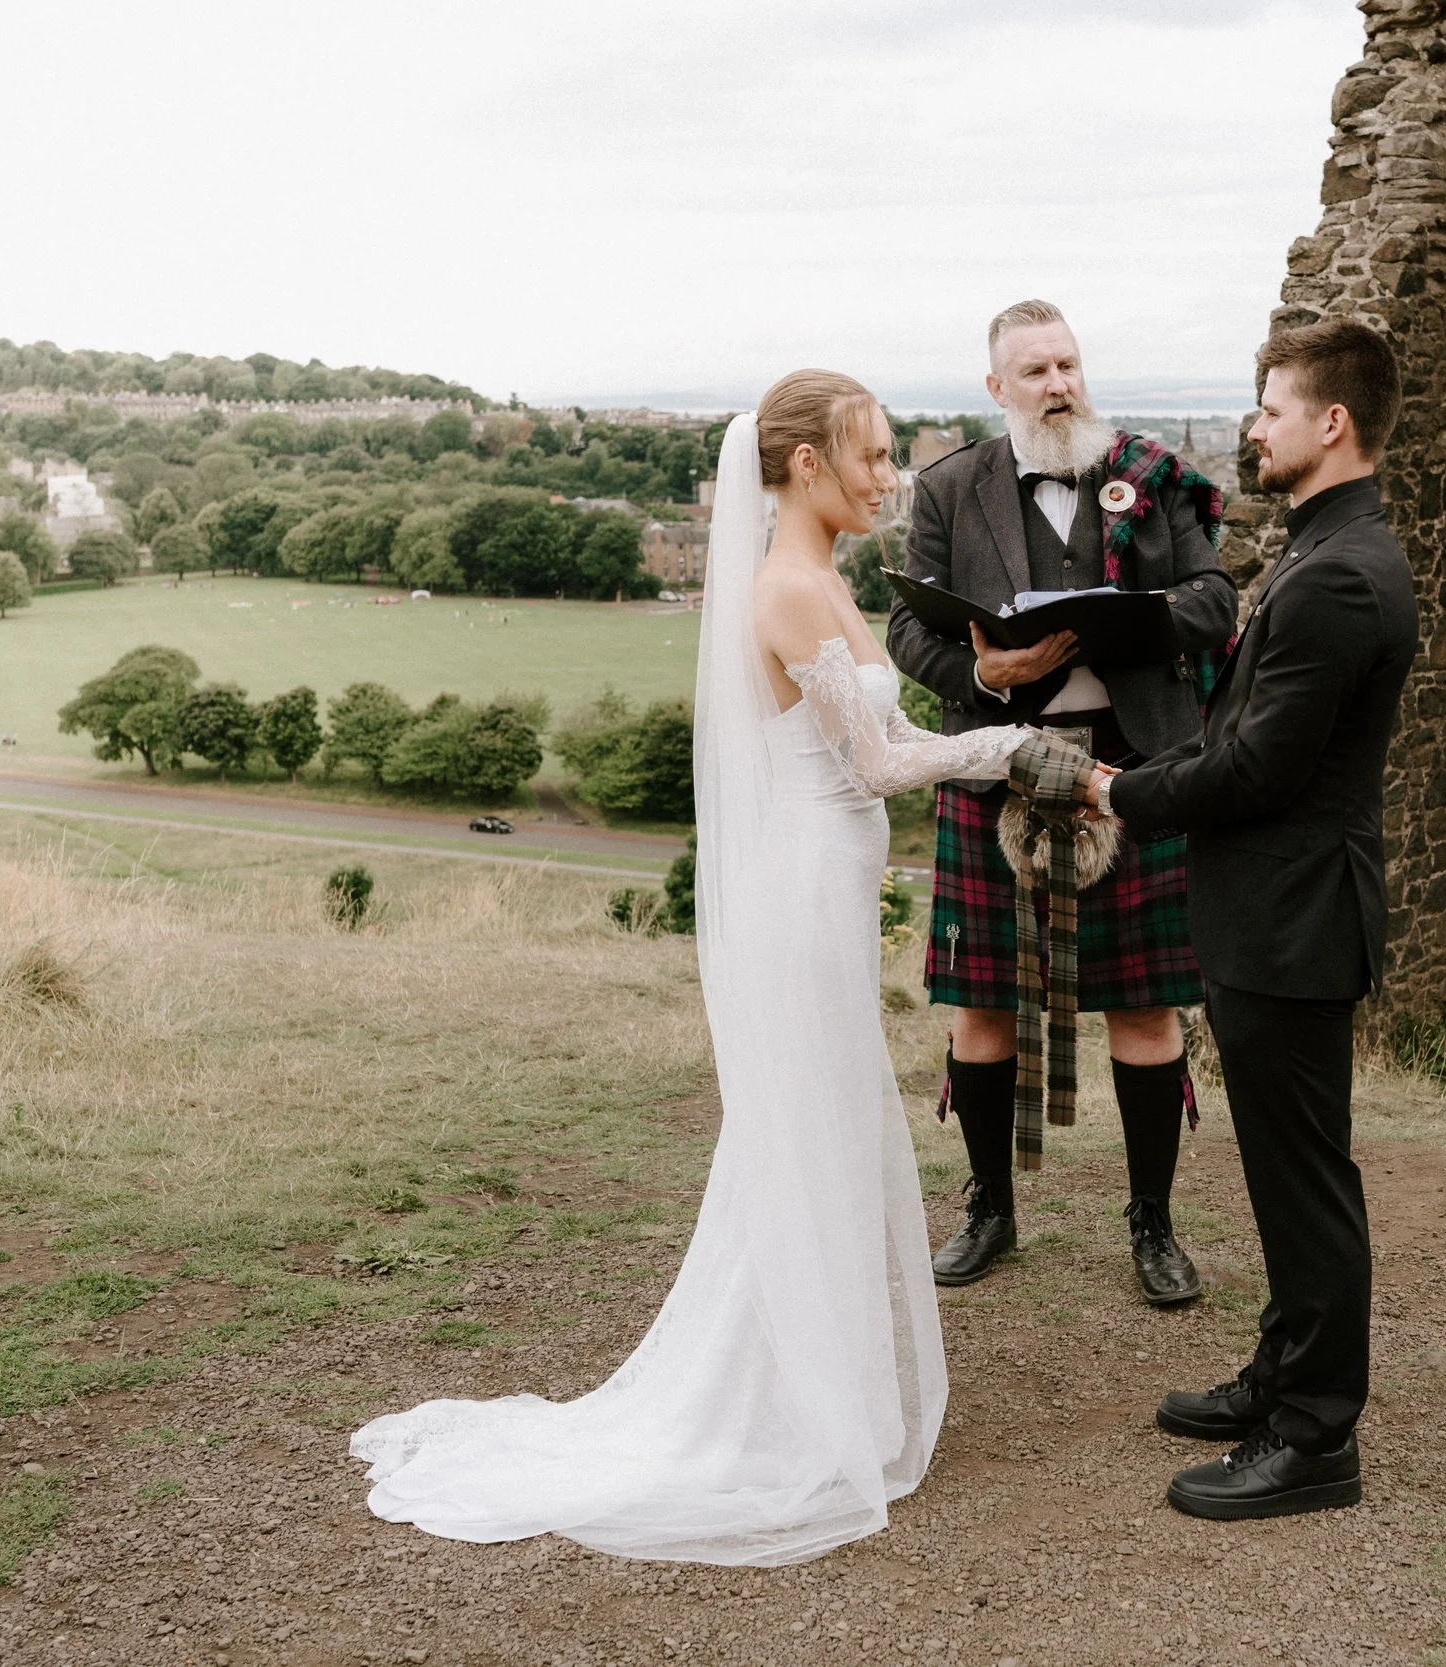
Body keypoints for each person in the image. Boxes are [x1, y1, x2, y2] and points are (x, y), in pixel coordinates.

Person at [352, 372, 1042, 1565]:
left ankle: (824, 1393)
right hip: (803, 891)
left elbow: (884, 741)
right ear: (803, 466)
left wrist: (995, 732)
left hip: (823, 885)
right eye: (871, 456)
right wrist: (1021, 748)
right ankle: (795, 1409)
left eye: (889, 455)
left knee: (819, 1128)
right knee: (809, 1129)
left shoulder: (826, 580)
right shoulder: (788, 587)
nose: (890, 475)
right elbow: (878, 763)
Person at [1087, 318, 1416, 1520]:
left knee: (1304, 1177)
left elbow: (1254, 771)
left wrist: (1116, 788)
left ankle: (1317, 1437)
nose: (1253, 428)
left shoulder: (1337, 572)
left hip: (1292, 914)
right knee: (1286, 1171)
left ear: (1331, 423)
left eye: (1271, 408)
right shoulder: (1334, 549)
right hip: (1273, 909)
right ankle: (1284, 1371)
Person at [887, 299, 1239, 1305]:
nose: (1058, 384)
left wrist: (1116, 627)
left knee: (1144, 1003)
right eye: (1034, 370)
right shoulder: (952, 488)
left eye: (1068, 364)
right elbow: (909, 634)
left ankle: (1153, 1225)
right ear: (997, 388)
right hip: (1001, 761)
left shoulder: (1153, 475)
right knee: (983, 1007)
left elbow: (1214, 601)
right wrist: (993, 670)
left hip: (1132, 771)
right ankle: (989, 1209)